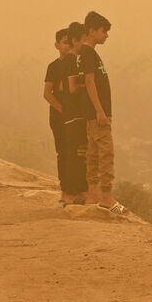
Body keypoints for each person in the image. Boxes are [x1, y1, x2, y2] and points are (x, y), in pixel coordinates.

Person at [80, 10, 126, 214]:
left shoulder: (88, 53)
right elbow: (89, 82)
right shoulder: (88, 53)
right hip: (97, 114)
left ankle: (93, 193)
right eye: (103, 31)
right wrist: (100, 111)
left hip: (94, 113)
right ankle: (106, 196)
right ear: (91, 31)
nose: (106, 35)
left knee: (93, 153)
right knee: (105, 153)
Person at [60, 21, 88, 204]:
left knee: (75, 153)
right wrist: (87, 84)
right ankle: (74, 192)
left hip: (72, 114)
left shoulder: (67, 61)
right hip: (75, 114)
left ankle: (74, 192)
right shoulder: (72, 61)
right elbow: (70, 88)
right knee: (77, 153)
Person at [43, 28, 70, 203]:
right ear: (57, 45)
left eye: (71, 42)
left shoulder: (78, 64)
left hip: (76, 118)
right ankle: (65, 191)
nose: (68, 46)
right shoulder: (53, 67)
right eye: (65, 42)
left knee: (77, 154)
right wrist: (63, 110)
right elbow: (47, 94)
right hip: (59, 118)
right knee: (63, 152)